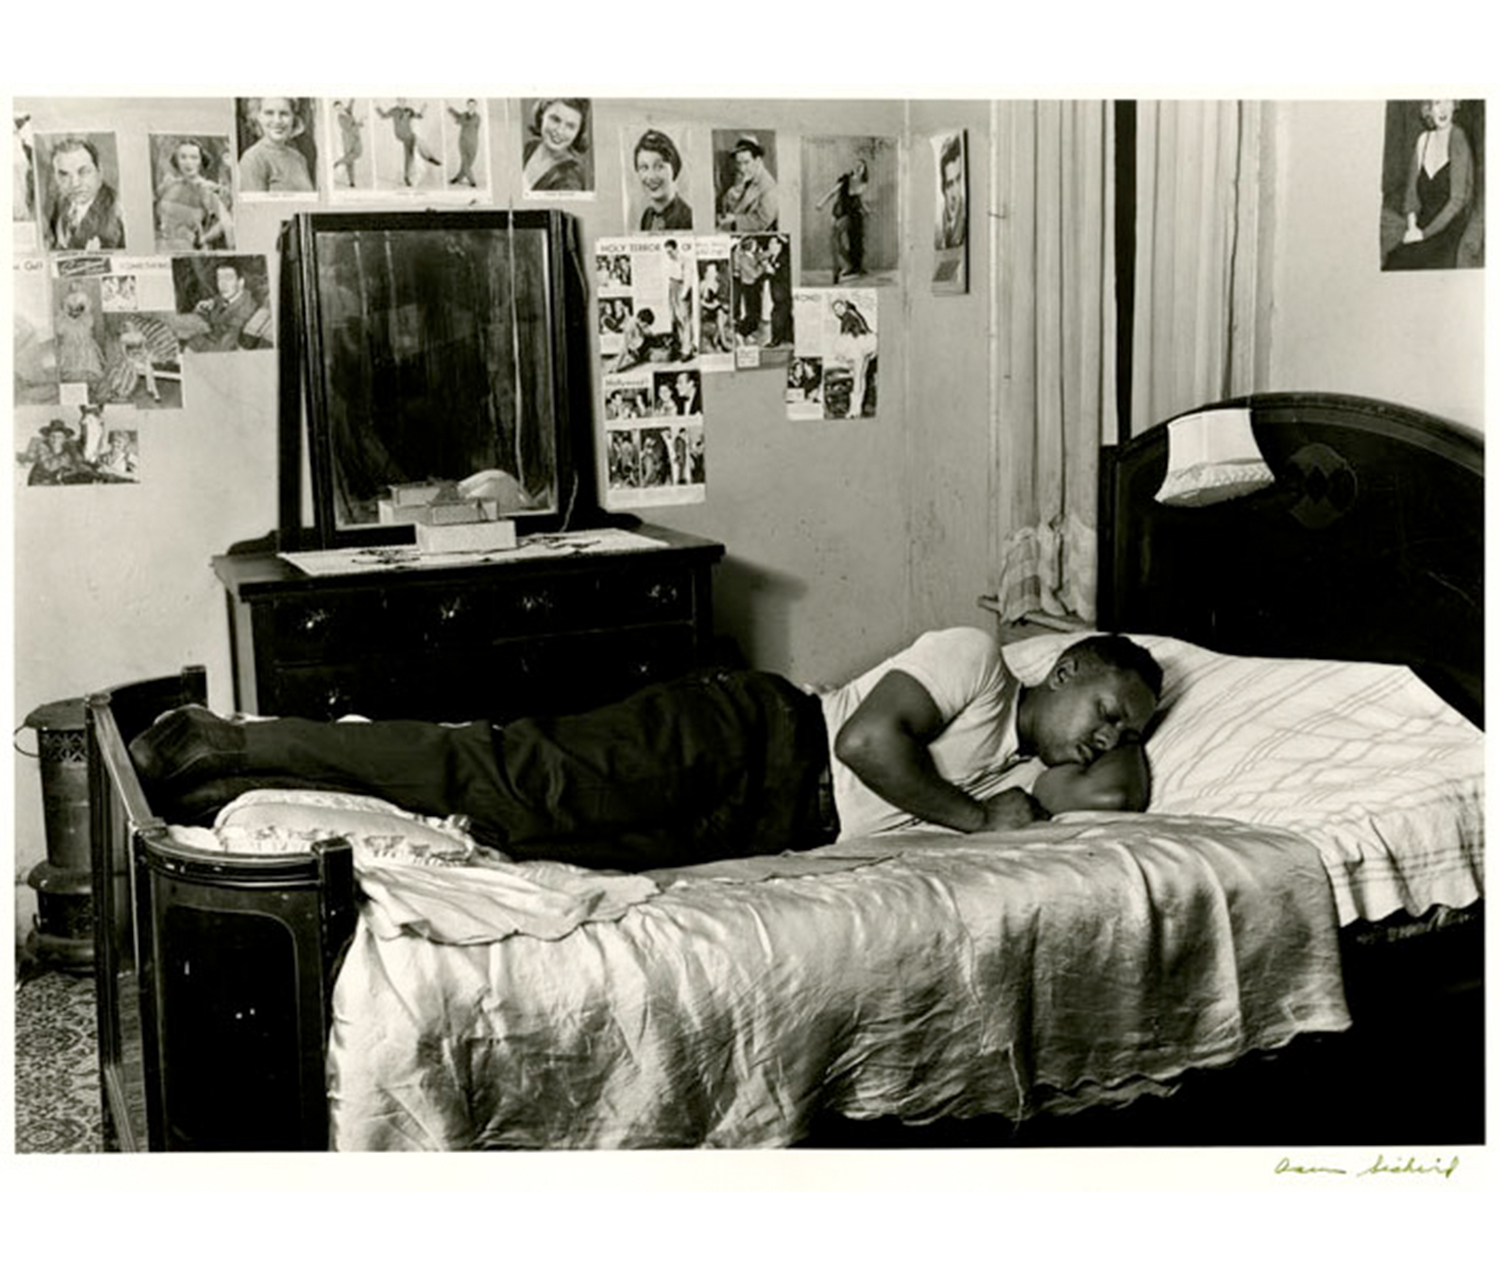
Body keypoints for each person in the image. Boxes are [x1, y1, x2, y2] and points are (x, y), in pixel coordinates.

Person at [128, 629, 1161, 873]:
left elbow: (1120, 794)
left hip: (770, 821)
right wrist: (982, 817)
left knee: (511, 830)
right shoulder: (977, 662)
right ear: (1063, 667)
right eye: (1108, 704)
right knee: (499, 768)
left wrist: (1076, 767)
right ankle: (228, 736)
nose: (1108, 737)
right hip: (754, 739)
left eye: (1124, 731)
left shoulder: (1031, 777)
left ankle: (243, 780)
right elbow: (865, 741)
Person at [1385, 99, 1475, 271]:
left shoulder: (1458, 138)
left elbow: (1457, 201)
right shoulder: (1423, 141)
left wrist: (1423, 235)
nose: (1442, 109)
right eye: (1436, 103)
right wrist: (1412, 228)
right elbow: (1411, 195)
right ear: (1428, 110)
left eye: (1447, 101)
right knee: (1395, 260)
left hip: (1449, 225)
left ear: (1454, 105)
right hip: (1424, 221)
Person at [46, 136, 125, 250]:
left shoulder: (119, 211)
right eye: (64, 175)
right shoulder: (61, 204)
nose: (74, 184)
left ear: (99, 172)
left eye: (83, 172)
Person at [155, 138, 233, 250]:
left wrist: (204, 239)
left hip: (188, 249)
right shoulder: (169, 184)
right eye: (183, 157)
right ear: (176, 160)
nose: (188, 163)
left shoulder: (205, 189)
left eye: (194, 158)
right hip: (162, 247)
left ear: (201, 161)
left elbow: (227, 223)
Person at [185, 261, 269, 352]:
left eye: (228, 278)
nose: (223, 284)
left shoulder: (249, 312)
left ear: (241, 282)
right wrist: (199, 311)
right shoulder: (220, 299)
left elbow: (223, 347)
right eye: (219, 278)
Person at [239, 97, 316, 193]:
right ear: (257, 117)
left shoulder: (299, 158)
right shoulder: (252, 159)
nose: (277, 120)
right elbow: (255, 207)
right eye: (269, 113)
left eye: (284, 113)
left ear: (293, 118)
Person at [816, 158, 867, 283]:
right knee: (834, 240)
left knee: (842, 239)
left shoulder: (862, 183)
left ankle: (839, 268)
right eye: (857, 165)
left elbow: (857, 197)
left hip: (853, 216)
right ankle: (846, 265)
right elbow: (832, 192)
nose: (858, 168)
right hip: (840, 213)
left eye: (861, 167)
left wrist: (866, 209)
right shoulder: (845, 179)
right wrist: (821, 202)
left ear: (864, 171)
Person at [520, 98, 586, 193]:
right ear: (542, 115)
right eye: (555, 119)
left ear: (578, 132)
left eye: (570, 126)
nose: (560, 131)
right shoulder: (530, 146)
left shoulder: (571, 179)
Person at [633, 129, 692, 231]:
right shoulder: (647, 216)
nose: (651, 176)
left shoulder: (687, 219)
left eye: (659, 167)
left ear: (674, 168)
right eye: (644, 168)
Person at [717, 134, 778, 232]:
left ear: (757, 160)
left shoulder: (768, 186)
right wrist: (735, 191)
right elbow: (727, 206)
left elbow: (763, 221)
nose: (742, 168)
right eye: (739, 163)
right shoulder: (742, 174)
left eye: (746, 162)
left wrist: (735, 219)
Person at [377, 98, 442, 186]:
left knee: (412, 151)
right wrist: (376, 106)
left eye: (404, 101)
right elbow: (383, 116)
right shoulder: (394, 111)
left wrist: (424, 109)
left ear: (405, 101)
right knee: (415, 143)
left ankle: (408, 175)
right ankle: (428, 157)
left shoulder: (409, 110)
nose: (402, 103)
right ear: (397, 101)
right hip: (401, 134)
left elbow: (419, 116)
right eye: (400, 101)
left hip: (409, 135)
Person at [19, 419, 89, 485]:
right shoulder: (42, 448)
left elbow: (76, 465)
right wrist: (66, 460)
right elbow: (49, 466)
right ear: (48, 437)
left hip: (56, 484)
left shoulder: (67, 450)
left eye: (59, 437)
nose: (55, 440)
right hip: (40, 483)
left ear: (64, 439)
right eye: (52, 436)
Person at [936, 133, 967, 250]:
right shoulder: (939, 227)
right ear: (943, 188)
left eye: (958, 180)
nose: (955, 194)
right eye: (949, 184)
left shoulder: (965, 220)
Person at [331, 100, 364, 188]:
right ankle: (351, 180)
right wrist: (359, 123)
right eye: (337, 109)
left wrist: (353, 99)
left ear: (342, 105)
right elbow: (349, 128)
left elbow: (351, 104)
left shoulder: (347, 111)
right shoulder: (340, 118)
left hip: (356, 137)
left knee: (356, 154)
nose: (339, 110)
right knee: (350, 161)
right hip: (348, 139)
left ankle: (339, 163)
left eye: (340, 107)